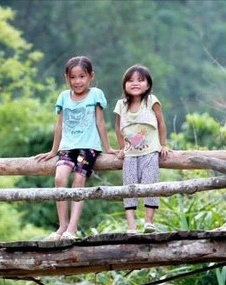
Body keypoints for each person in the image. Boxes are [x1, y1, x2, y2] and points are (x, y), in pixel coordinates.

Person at [35, 55, 114, 240]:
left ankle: (72, 228)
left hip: (88, 147)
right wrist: (53, 151)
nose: (77, 81)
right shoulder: (63, 97)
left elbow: (100, 122)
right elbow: (60, 125)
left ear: (90, 76)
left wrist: (108, 148)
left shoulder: (95, 94)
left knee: (79, 180)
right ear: (66, 78)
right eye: (73, 77)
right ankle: (61, 226)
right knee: (59, 178)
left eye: (81, 76)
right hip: (67, 147)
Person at [113, 64, 170, 233]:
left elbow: (161, 122)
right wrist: (121, 148)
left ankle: (148, 221)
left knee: (150, 184)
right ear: (124, 84)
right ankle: (131, 226)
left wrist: (163, 144)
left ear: (148, 84)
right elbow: (117, 127)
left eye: (140, 80)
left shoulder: (151, 101)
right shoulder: (121, 105)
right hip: (130, 154)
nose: (135, 83)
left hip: (150, 151)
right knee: (129, 187)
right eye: (130, 80)